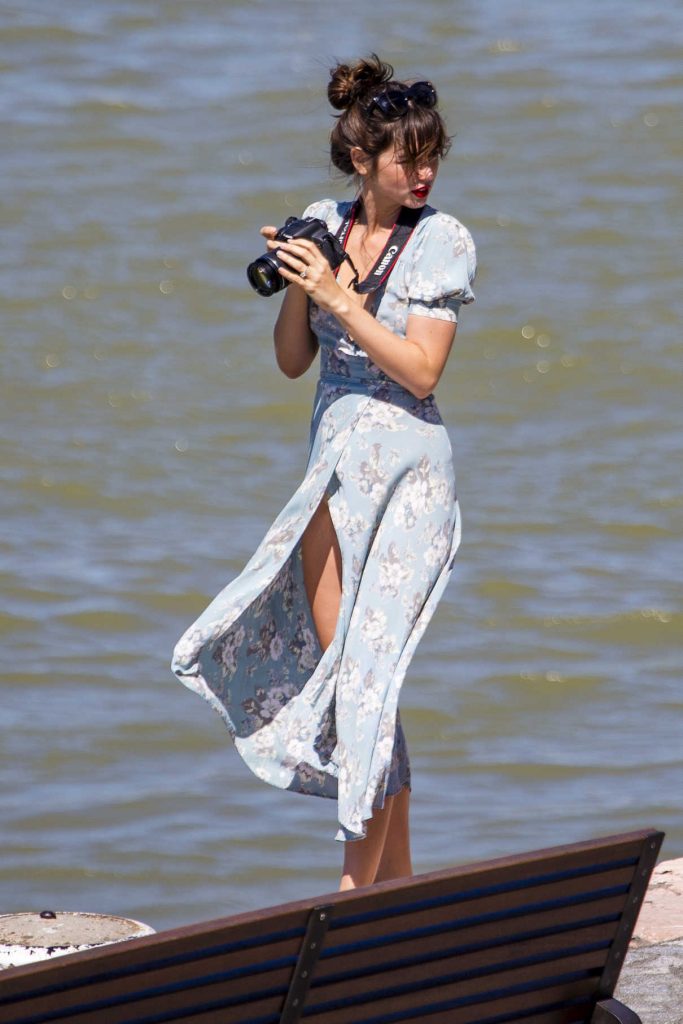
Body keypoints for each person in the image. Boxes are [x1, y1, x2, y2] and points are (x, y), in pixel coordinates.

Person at [172, 54, 476, 891]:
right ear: (360, 161)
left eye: (431, 157)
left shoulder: (442, 240)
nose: (422, 174)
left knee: (367, 677)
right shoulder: (323, 221)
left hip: (411, 475)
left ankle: (347, 902)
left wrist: (344, 298)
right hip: (332, 472)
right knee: (350, 675)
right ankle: (401, 893)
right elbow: (291, 362)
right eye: (406, 160)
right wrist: (302, 287)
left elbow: (421, 372)